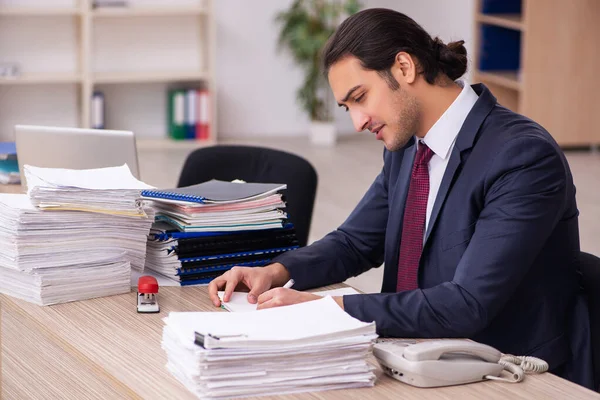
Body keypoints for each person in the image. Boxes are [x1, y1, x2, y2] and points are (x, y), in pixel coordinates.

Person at [208, 8, 593, 388]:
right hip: (412, 360)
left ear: (404, 68)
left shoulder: (522, 156)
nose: (357, 122)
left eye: (360, 97)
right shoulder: (407, 147)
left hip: (508, 374)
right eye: (347, 107)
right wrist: (276, 272)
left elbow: (467, 304)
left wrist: (329, 310)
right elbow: (355, 242)